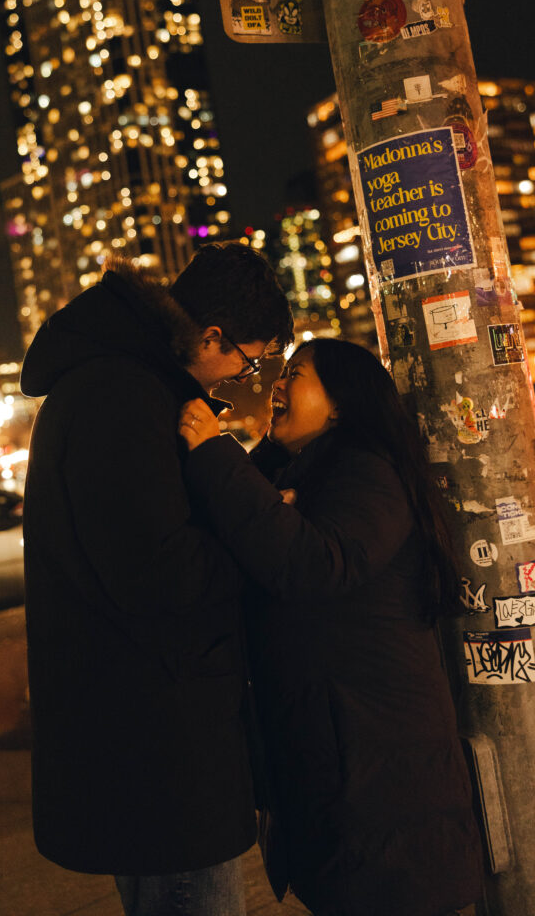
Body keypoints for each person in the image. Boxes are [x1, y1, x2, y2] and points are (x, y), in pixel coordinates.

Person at [20, 244, 294, 916]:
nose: (242, 377)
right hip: (158, 746)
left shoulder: (117, 383)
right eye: (246, 359)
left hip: (147, 727)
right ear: (209, 335)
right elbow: (157, 572)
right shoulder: (122, 395)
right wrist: (257, 537)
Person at [179, 338, 484, 916]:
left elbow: (318, 565)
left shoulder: (366, 471)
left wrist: (219, 459)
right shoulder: (300, 473)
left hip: (381, 778)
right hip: (339, 764)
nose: (276, 383)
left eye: (295, 374)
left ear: (341, 404)